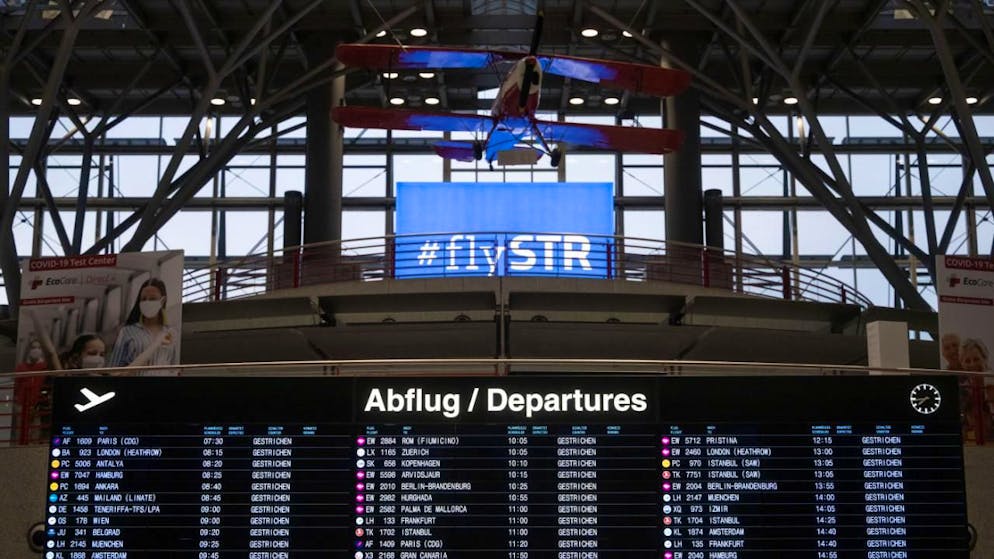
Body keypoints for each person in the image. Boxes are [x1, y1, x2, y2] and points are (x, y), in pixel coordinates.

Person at [108, 278, 178, 370]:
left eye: (152, 299)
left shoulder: (171, 333)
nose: (147, 302)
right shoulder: (127, 332)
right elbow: (114, 369)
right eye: (144, 299)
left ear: (163, 300)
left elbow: (174, 366)